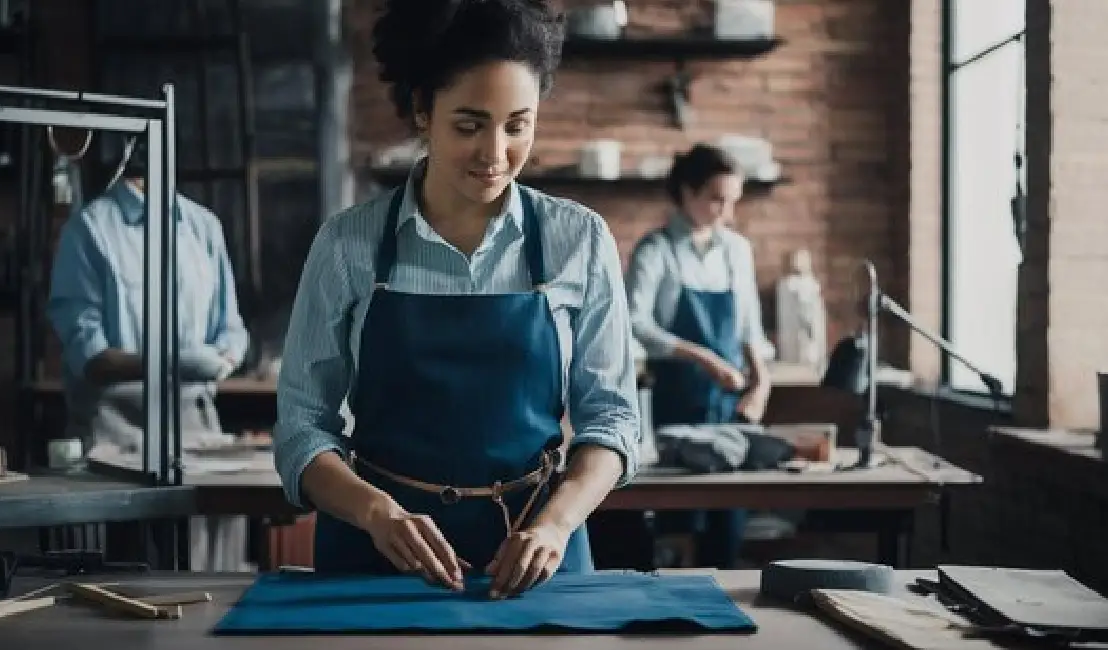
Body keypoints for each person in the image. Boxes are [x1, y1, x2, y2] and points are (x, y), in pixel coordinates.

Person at [272, 0, 640, 598]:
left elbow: (613, 419)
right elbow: (302, 428)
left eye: (518, 125)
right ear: (423, 109)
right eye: (470, 125)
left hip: (536, 561)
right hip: (373, 561)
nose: (495, 154)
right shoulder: (348, 244)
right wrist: (376, 514)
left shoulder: (580, 239)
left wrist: (556, 524)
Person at [47, 147, 252, 571]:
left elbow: (231, 327)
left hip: (197, 429)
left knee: (210, 569)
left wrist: (225, 358)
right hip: (114, 436)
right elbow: (92, 357)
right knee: (129, 579)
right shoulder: (89, 229)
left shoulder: (203, 226)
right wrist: (174, 361)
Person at [625, 143, 773, 569]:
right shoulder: (656, 251)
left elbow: (749, 327)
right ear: (686, 193)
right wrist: (703, 358)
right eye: (716, 199)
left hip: (728, 406)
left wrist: (761, 381)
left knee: (727, 522)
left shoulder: (737, 250)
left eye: (732, 201)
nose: (726, 212)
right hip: (676, 401)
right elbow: (636, 322)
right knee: (676, 519)